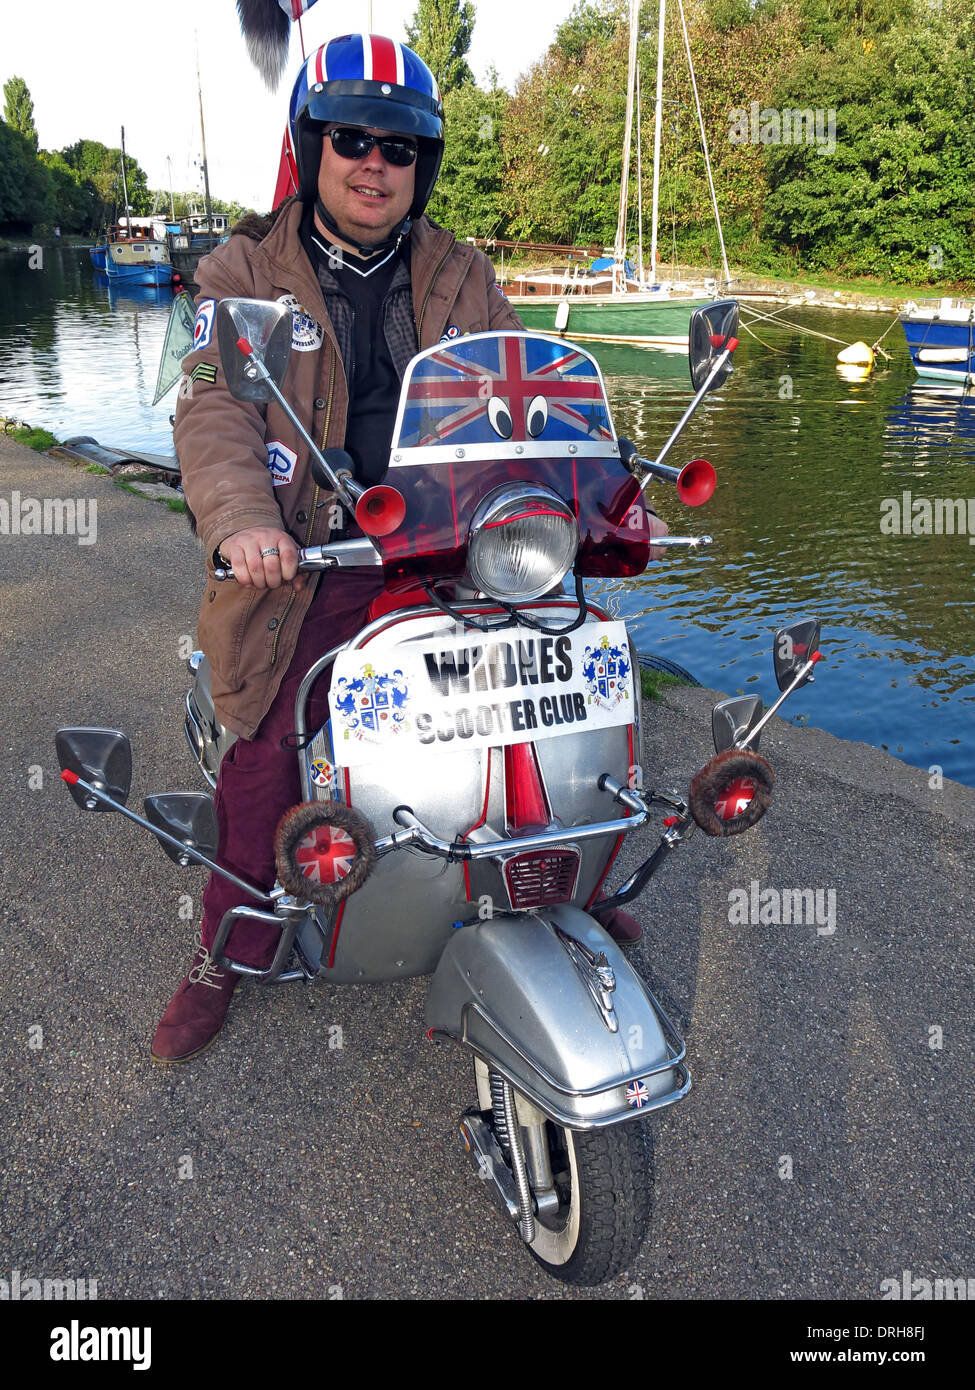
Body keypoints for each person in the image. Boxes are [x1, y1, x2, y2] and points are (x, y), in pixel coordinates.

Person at [152, 33, 665, 1064]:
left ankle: (560, 880)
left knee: (556, 690)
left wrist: (606, 481)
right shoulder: (243, 268)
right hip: (310, 561)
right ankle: (227, 943)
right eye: (352, 139)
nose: (374, 164)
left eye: (398, 146)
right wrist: (243, 521)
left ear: (420, 164)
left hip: (452, 545)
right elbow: (212, 412)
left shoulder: (462, 271)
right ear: (315, 146)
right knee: (269, 742)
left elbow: (530, 397)